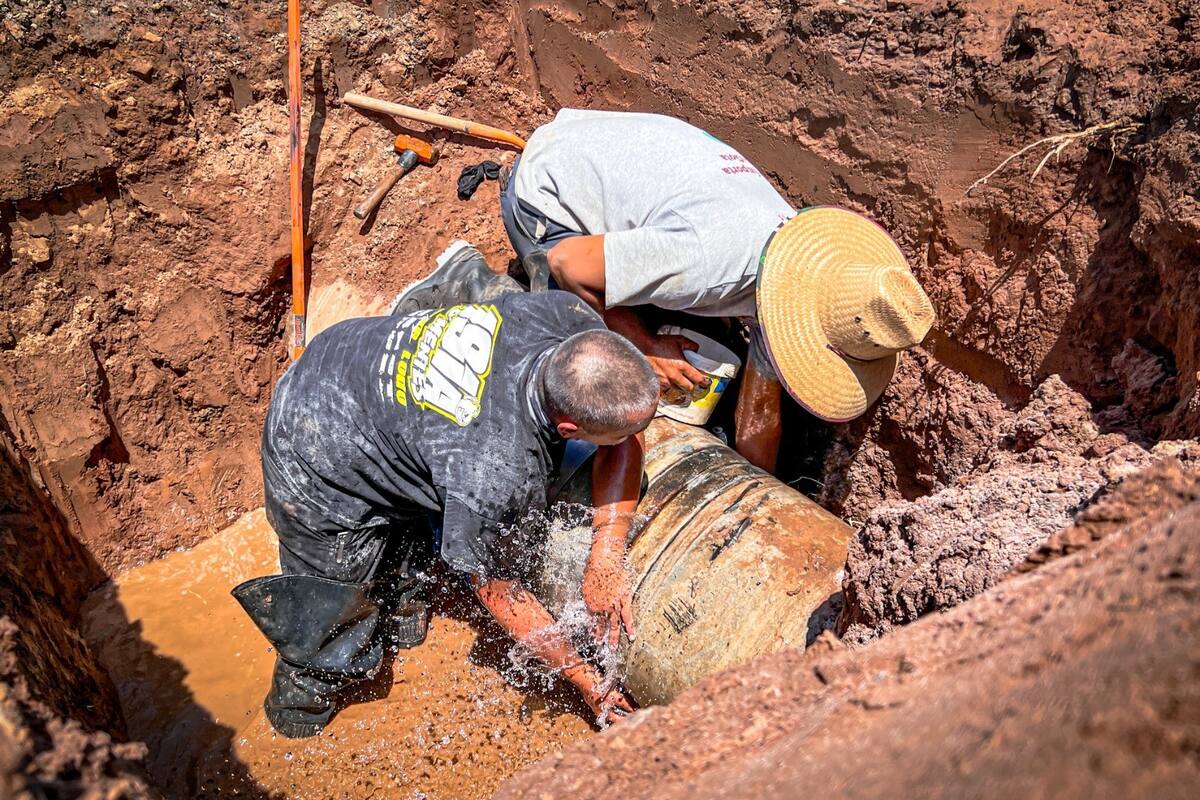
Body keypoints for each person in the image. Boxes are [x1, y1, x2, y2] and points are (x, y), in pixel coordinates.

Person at [234, 242, 659, 738]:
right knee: (331, 624)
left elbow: (624, 435)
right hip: (312, 451)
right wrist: (587, 681)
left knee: (408, 571)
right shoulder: (494, 469)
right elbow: (499, 591)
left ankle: (398, 611)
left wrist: (605, 553)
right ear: (569, 428)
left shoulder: (567, 319)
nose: (636, 440)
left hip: (351, 360)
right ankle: (297, 713)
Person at [497, 109, 936, 472]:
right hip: (547, 197)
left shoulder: (801, 263)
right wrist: (643, 345)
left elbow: (759, 417)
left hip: (611, 156)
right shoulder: (707, 264)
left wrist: (762, 491)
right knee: (592, 373)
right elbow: (568, 263)